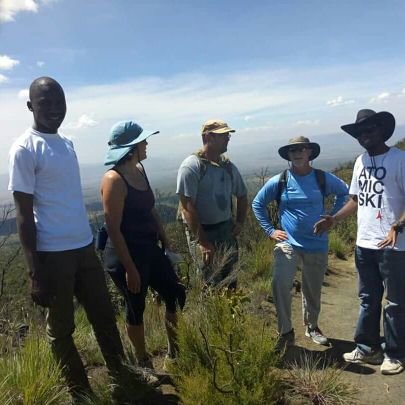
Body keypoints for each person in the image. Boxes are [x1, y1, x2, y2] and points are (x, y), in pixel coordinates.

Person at [8, 77, 151, 402]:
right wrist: (34, 271)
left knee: (103, 316)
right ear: (31, 106)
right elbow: (22, 213)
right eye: (45, 103)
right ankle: (81, 393)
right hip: (52, 254)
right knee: (61, 331)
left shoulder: (67, 143)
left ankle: (123, 378)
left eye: (59, 102)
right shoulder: (24, 149)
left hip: (84, 248)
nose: (54, 109)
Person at [315, 110, 405, 375]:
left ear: (381, 130)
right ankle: (368, 348)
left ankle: (395, 353)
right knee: (368, 297)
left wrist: (397, 226)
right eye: (360, 133)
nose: (364, 136)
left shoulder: (400, 160)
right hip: (364, 243)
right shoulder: (360, 162)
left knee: (396, 302)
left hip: (395, 246)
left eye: (369, 130)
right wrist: (334, 219)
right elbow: (355, 199)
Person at [101, 120, 186, 371]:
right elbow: (113, 229)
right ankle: (143, 362)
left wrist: (166, 241)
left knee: (174, 293)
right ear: (131, 147)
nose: (147, 144)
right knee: (136, 307)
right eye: (142, 141)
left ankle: (175, 351)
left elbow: (150, 210)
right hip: (125, 255)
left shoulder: (139, 169)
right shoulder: (113, 180)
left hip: (149, 249)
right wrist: (130, 268)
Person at [252, 136, 348, 348]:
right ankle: (285, 331)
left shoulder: (322, 178)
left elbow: (346, 193)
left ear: (309, 153)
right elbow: (257, 203)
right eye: (292, 150)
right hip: (288, 242)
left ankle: (312, 326)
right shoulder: (280, 180)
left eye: (301, 149)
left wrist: (332, 217)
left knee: (312, 289)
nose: (296, 153)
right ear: (288, 155)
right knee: (280, 283)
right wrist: (270, 230)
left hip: (317, 242)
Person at [176, 119, 248, 289]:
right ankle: (214, 314)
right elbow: (187, 207)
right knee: (209, 280)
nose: (228, 138)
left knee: (231, 278)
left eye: (227, 134)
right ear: (208, 137)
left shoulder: (228, 167)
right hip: (203, 231)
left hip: (225, 228)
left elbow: (243, 196)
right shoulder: (192, 166)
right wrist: (202, 242)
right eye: (223, 135)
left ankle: (231, 313)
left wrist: (239, 222)